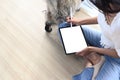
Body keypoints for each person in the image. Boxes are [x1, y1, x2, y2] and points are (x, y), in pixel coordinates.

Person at [58, 0, 120, 80]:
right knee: (65, 27)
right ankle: (95, 58)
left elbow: (118, 54)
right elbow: (101, 18)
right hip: (103, 41)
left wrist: (92, 49)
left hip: (116, 59)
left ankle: (92, 61)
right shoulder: (108, 7)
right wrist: (80, 21)